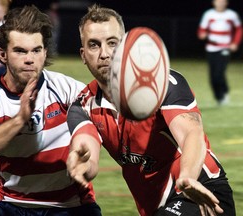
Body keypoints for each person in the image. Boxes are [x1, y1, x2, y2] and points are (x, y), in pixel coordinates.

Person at [66, 4, 236, 216]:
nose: (105, 54)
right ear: (83, 55)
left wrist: (188, 177)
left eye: (112, 43)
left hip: (200, 190)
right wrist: (82, 165)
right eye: (94, 45)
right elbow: (88, 153)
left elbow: (192, 133)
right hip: (158, 206)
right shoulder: (82, 106)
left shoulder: (160, 82)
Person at [0, 5, 101, 216]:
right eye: (20, 51)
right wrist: (19, 120)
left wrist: (89, 162)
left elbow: (100, 122)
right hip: (12, 205)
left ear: (45, 53)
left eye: (36, 50)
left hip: (70, 206)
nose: (30, 59)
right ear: (2, 55)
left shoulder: (68, 90)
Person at [197, 0, 242, 106]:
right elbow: (201, 30)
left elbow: (239, 29)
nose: (220, 3)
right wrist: (201, 34)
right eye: (218, 1)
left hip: (225, 48)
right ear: (214, 2)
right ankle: (218, 97)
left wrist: (235, 43)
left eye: (223, 1)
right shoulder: (208, 14)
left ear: (226, 3)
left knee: (219, 73)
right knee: (212, 76)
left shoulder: (232, 15)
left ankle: (224, 93)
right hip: (211, 49)